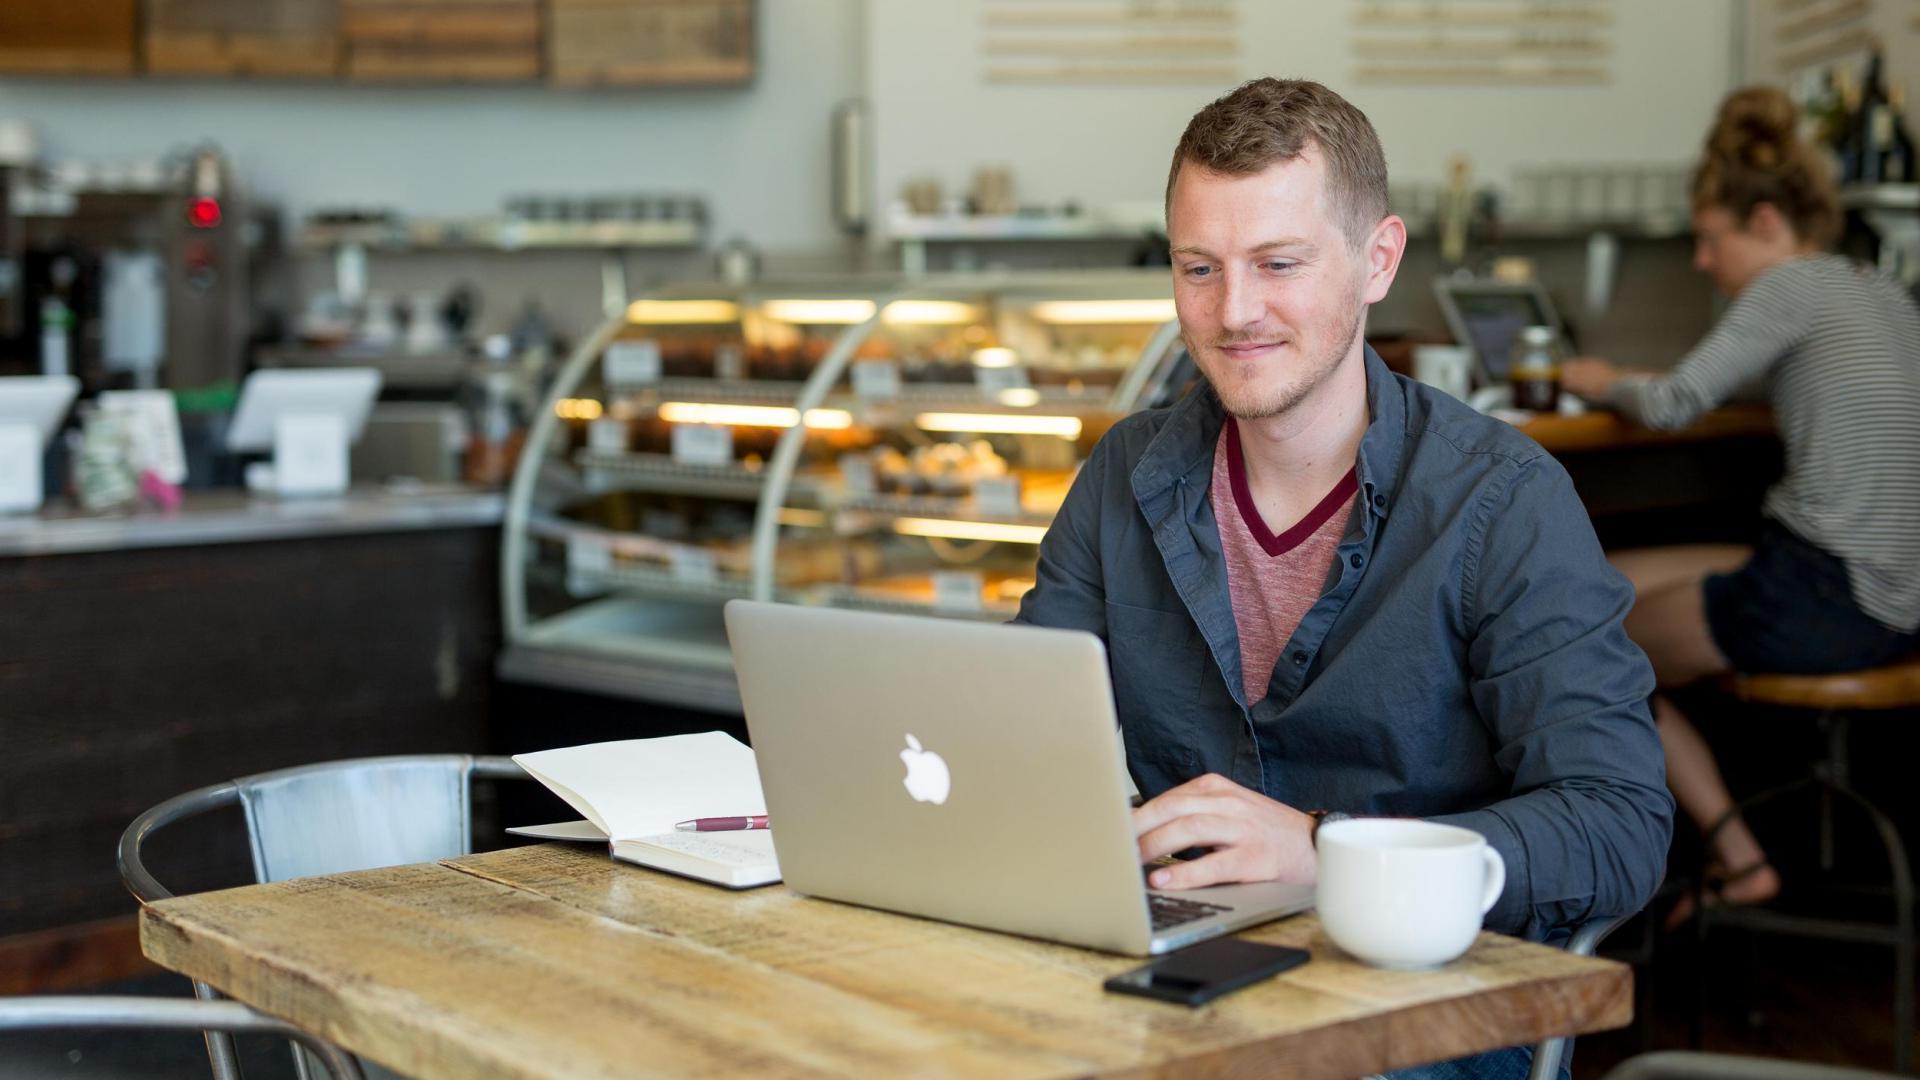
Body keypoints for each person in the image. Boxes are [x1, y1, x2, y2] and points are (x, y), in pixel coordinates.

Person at [1015, 77, 1672, 1077]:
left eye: (1278, 264)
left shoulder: (1503, 501)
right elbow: (1017, 737)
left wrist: (1329, 854)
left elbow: (1619, 828)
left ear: (1378, 260)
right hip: (1158, 993)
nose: (1234, 312)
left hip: (1414, 1022)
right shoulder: (1122, 473)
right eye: (1199, 268)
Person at [1562, 86, 1920, 924]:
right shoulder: (1876, 290)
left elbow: (1678, 399)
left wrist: (1595, 380)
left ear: (1763, 221)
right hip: (1894, 595)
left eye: (1709, 236)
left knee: (1580, 637)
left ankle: (1737, 856)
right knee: (1595, 580)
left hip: (1828, 596)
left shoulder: (1786, 287)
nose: (1699, 259)